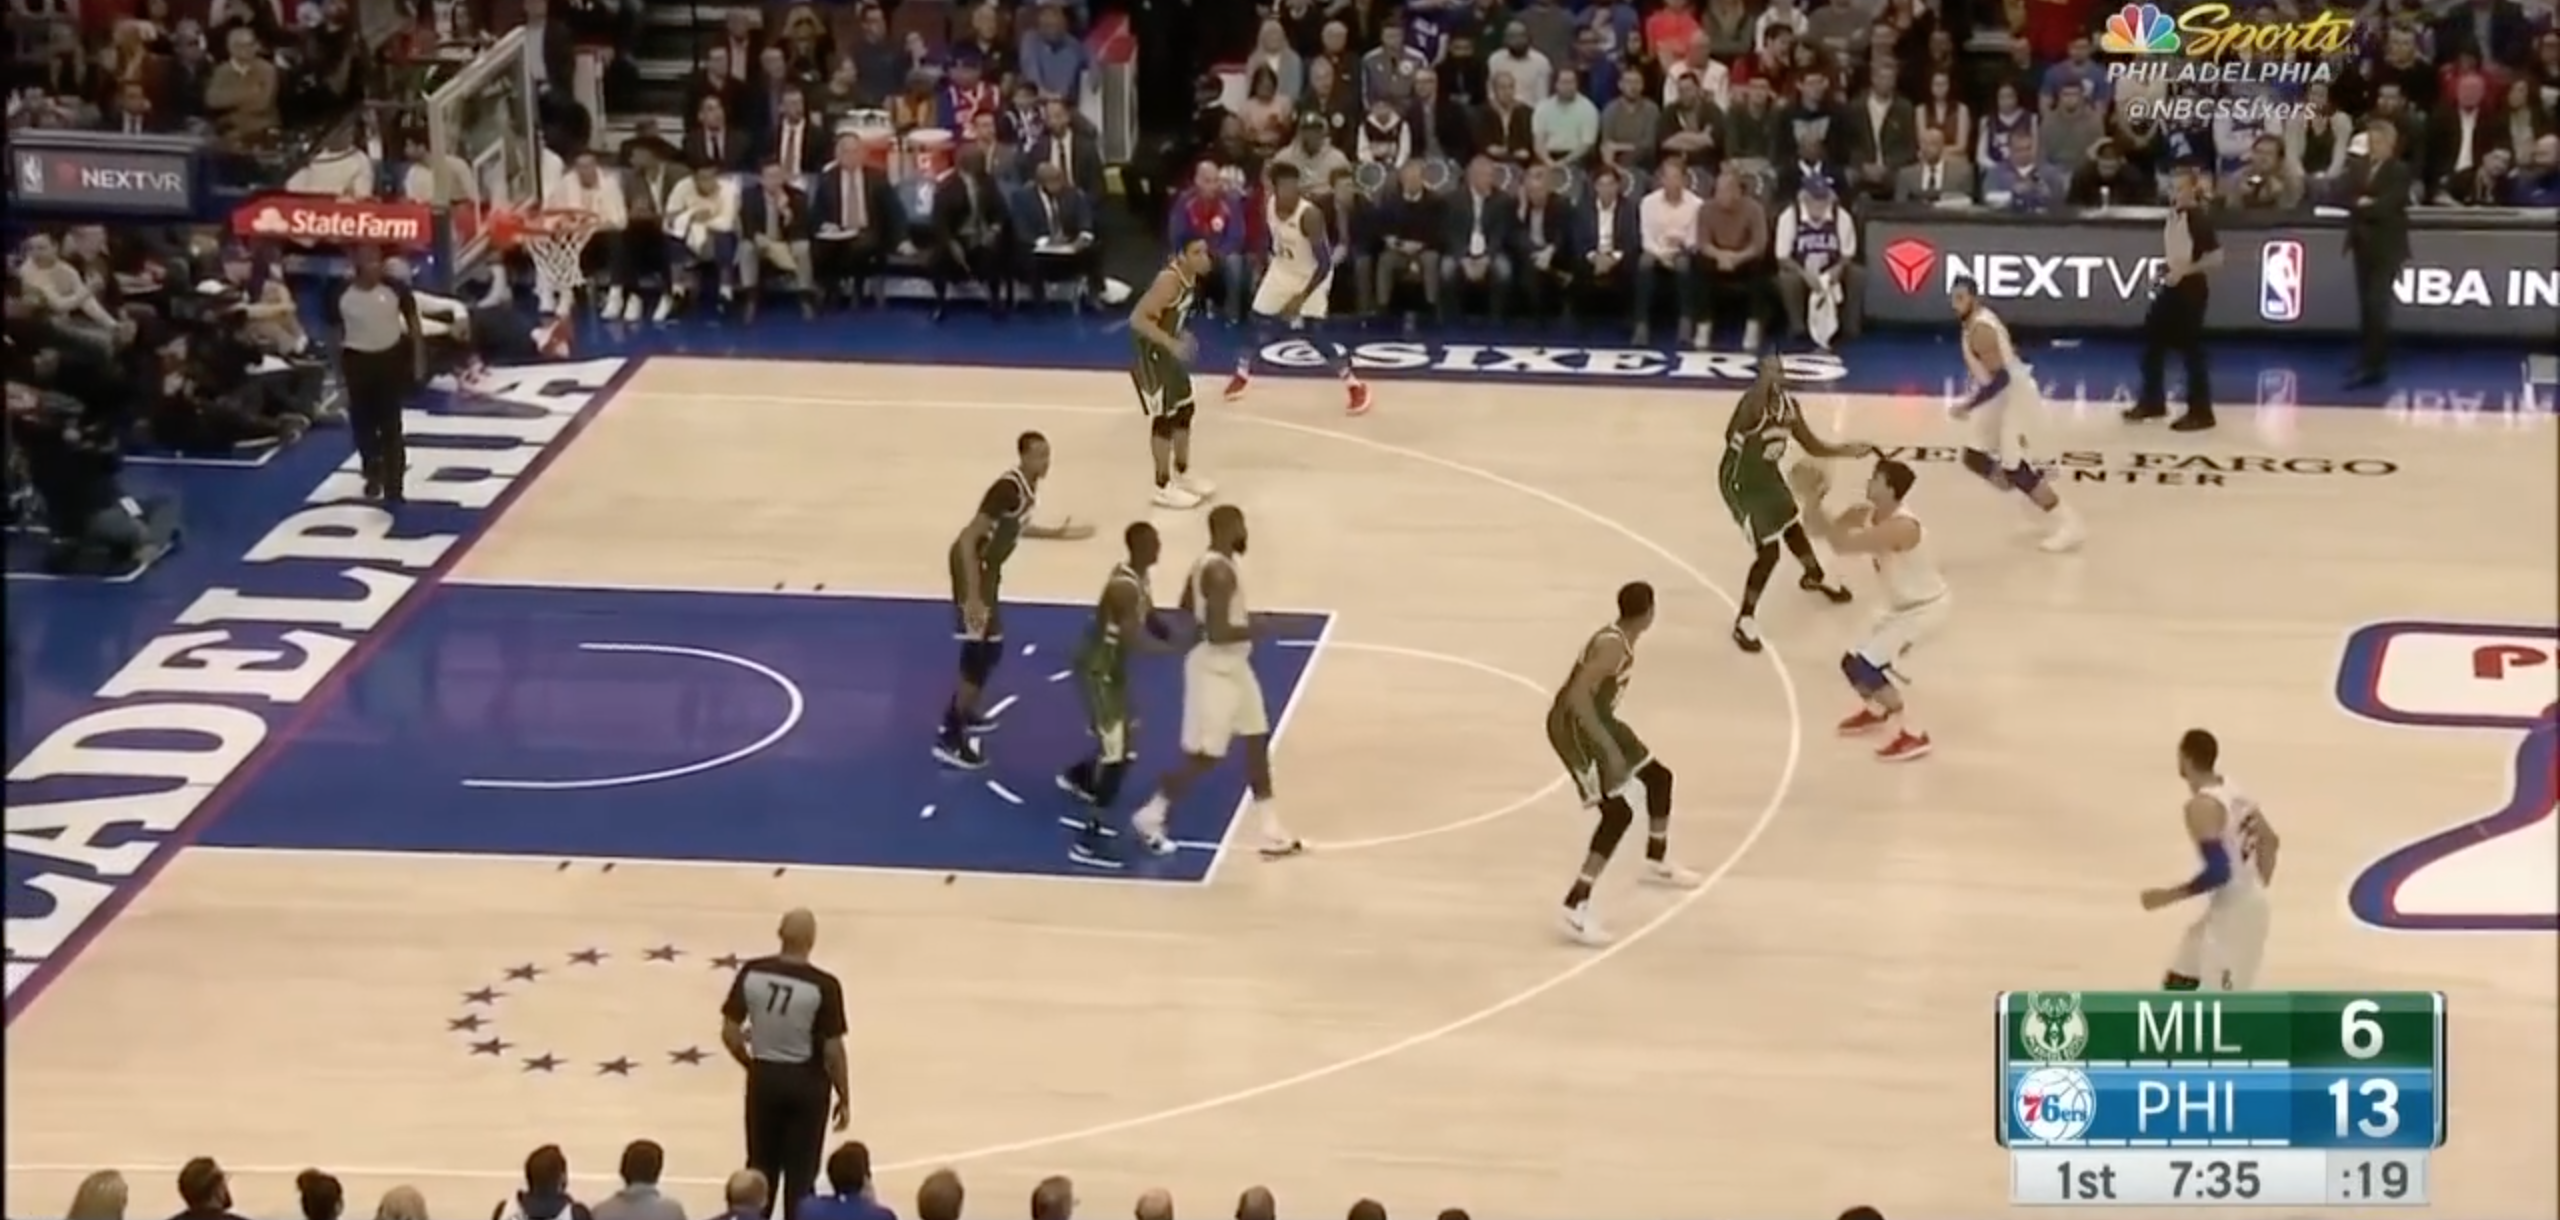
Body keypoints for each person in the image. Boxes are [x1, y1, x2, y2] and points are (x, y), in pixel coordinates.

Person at [1125, 504, 1304, 859]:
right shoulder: (1220, 572)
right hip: (1214, 671)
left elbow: (1186, 607)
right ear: (1226, 528)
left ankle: (1270, 829)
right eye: (1240, 525)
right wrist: (1261, 626)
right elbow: (1220, 632)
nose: (1244, 532)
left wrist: (1200, 629)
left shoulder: (1204, 564)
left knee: (1257, 741)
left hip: (1234, 667)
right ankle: (1151, 814)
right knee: (1205, 757)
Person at [1546, 580, 1704, 946]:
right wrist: (1609, 749)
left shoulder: (1620, 639)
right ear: (1649, 613)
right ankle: (1576, 904)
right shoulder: (1612, 648)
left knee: (1659, 778)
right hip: (1575, 729)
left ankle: (1656, 860)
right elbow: (1577, 698)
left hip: (1599, 721)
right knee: (1617, 814)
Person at [939, 431, 1093, 771]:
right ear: (1023, 457)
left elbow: (1014, 526)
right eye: (1039, 455)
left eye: (1048, 454)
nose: (1045, 461)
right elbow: (967, 540)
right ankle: (950, 735)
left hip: (988, 571)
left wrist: (1055, 534)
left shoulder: (1026, 489)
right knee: (979, 651)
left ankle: (965, 712)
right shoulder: (1007, 489)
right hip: (973, 568)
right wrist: (973, 596)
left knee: (991, 648)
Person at [1789, 458, 1944, 762]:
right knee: (1851, 662)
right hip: (1899, 606)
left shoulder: (1902, 527)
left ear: (1891, 489)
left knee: (1868, 667)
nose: (1869, 481)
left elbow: (1844, 545)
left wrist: (1823, 512)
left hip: (1926, 608)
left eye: (1876, 478)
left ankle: (1913, 734)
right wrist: (1813, 500)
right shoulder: (1865, 513)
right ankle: (1877, 710)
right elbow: (1819, 530)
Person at [1718, 352, 1859, 653]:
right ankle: (1745, 618)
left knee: (1792, 525)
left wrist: (1846, 450)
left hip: (1767, 475)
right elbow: (1732, 433)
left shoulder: (1790, 407)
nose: (1775, 374)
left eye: (1778, 369)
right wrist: (1763, 383)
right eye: (1768, 370)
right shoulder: (1751, 405)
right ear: (1760, 374)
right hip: (1740, 482)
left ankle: (1814, 575)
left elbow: (1812, 445)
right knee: (1769, 553)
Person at [719, 909, 852, 1220]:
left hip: (764, 1079)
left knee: (759, 1169)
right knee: (802, 1175)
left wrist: (751, 1065)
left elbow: (730, 1033)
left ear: (780, 933)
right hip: (807, 1085)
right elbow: (833, 1050)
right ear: (812, 939)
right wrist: (844, 1094)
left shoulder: (752, 972)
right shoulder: (824, 986)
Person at [1058, 522, 1176, 868]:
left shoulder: (1139, 578)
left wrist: (1175, 633)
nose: (1159, 546)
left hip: (1114, 670)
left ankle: (1080, 777)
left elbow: (1149, 616)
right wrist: (1172, 650)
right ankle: (1089, 839)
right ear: (1138, 547)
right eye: (1154, 542)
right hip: (1099, 672)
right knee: (1118, 756)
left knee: (1126, 739)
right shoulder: (1122, 588)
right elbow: (1132, 637)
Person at [1222, 163, 1373, 416]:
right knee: (1256, 321)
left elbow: (1324, 264)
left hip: (1312, 275)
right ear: (1274, 188)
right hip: (1283, 269)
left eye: (1295, 185)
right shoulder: (1269, 204)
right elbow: (1270, 238)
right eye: (1285, 186)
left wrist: (1300, 298)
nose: (1291, 191)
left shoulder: (1309, 216)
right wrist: (1262, 266)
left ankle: (1354, 385)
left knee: (1314, 335)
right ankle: (1242, 374)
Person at [1950, 279, 2085, 553]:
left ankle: (2069, 523)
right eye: (1954, 298)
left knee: (2014, 466)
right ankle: (2031, 494)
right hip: (1999, 397)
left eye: (1962, 297)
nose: (1956, 304)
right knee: (1974, 457)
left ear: (1975, 298)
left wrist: (1969, 404)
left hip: (2015, 397)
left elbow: (2002, 378)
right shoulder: (1976, 323)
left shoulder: (1981, 330)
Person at [2141, 728, 2278, 991]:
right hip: (2238, 905)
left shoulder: (2201, 806)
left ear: (2185, 759)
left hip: (2236, 917)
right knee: (2179, 980)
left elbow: (2218, 872)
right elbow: (2270, 841)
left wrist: (2166, 897)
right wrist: (2253, 886)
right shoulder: (2232, 789)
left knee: (2221, 1004)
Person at [2125, 164, 2222, 431]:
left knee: (2191, 351)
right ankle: (2153, 401)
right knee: (2152, 341)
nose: (2174, 193)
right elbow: (2178, 253)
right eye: (2171, 188)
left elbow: (2216, 258)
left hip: (2191, 289)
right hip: (2173, 287)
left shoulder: (2197, 219)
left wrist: (2184, 271)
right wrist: (2166, 269)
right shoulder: (2174, 215)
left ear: (2193, 190)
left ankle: (2201, 412)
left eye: (2180, 188)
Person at [1126, 238, 1219, 510]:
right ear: (1181, 256)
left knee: (1185, 407)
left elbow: (1170, 316)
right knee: (1164, 417)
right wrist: (1171, 343)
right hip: (1150, 354)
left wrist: (1181, 334)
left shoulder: (1190, 279)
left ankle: (1182, 471)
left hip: (1166, 351)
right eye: (1197, 252)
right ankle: (1162, 485)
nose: (1204, 257)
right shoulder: (1169, 280)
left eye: (1205, 251)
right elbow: (1138, 319)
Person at [325, 244, 422, 504]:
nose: (375, 266)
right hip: (357, 361)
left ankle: (394, 486)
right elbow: (333, 335)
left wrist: (418, 360)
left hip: (390, 359)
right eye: (369, 260)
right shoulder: (338, 293)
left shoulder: (396, 288)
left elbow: (413, 323)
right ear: (356, 263)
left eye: (378, 260)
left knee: (392, 425)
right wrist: (338, 374)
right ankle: (372, 468)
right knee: (362, 424)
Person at [2344, 122, 2414, 390]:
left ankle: (2376, 366)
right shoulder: (2359, 167)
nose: (2374, 147)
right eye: (2371, 142)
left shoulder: (2400, 170)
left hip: (2387, 247)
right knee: (2366, 308)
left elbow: (2388, 205)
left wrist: (2366, 204)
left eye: (2379, 142)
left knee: (2377, 307)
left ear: (2391, 144)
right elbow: (2345, 195)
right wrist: (2364, 203)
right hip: (2361, 244)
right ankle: (2366, 361)